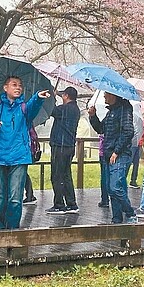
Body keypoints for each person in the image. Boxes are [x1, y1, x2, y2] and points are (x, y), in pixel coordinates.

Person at [0, 76, 50, 229]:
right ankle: (2, 231)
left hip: (19, 157)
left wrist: (38, 97)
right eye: (14, 85)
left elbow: (33, 106)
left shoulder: (24, 108)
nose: (18, 88)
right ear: (5, 88)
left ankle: (13, 233)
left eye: (20, 85)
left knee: (15, 200)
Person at [89, 92, 138, 224]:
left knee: (115, 187)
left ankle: (130, 212)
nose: (104, 97)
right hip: (108, 154)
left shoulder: (124, 109)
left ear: (113, 95)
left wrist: (117, 151)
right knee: (111, 189)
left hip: (119, 155)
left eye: (106, 94)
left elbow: (128, 131)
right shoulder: (110, 112)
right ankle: (116, 218)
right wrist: (93, 116)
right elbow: (101, 129)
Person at [45, 86, 81, 214]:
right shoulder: (76, 109)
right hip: (69, 146)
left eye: (63, 95)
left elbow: (52, 110)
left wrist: (53, 97)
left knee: (57, 175)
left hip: (60, 146)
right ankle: (72, 204)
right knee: (66, 176)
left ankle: (59, 204)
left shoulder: (65, 109)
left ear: (66, 96)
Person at [127, 105, 144, 189]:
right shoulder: (132, 115)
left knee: (136, 163)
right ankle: (125, 179)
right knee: (130, 162)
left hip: (139, 143)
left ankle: (133, 180)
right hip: (133, 143)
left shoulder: (140, 117)